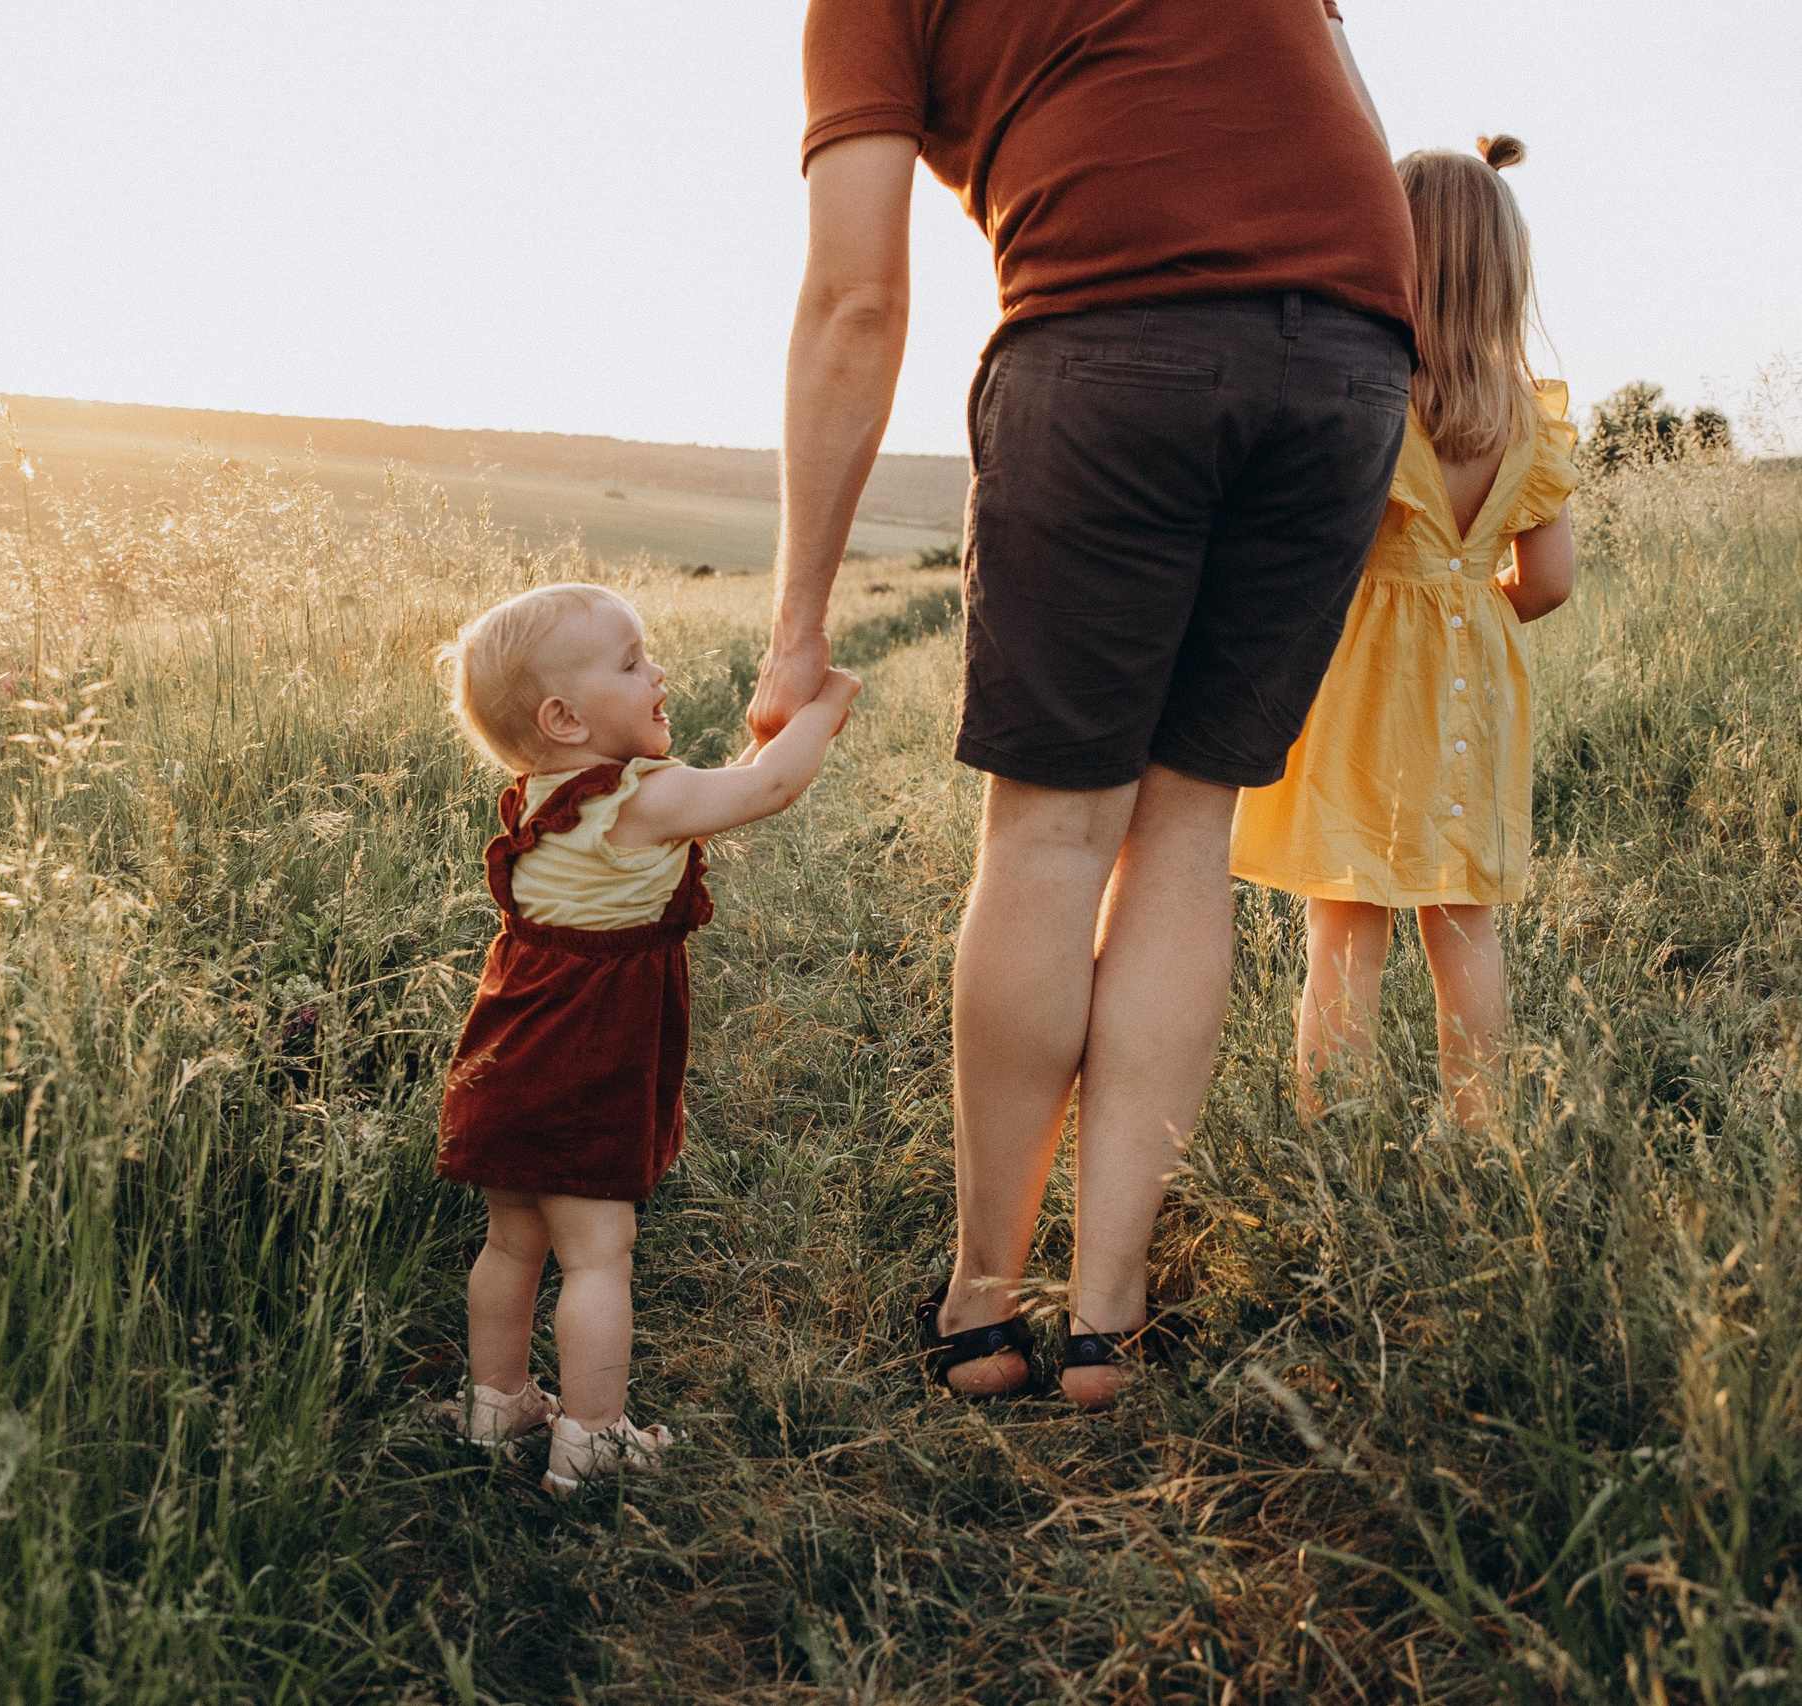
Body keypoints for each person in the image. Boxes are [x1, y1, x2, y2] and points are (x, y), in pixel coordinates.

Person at [751, 0, 1416, 1408]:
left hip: (1117, 337)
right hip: (1352, 354)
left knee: (1054, 838)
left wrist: (797, 621)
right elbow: (1341, 104)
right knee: (1186, 829)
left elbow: (857, 298)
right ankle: (1107, 1321)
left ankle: (985, 1303)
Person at [434, 583, 859, 1493]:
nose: (658, 671)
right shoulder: (638, 799)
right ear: (566, 716)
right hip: (583, 1067)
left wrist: (765, 736)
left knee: (512, 1244)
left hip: (505, 1058)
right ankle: (592, 1437)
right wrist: (823, 709)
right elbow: (769, 787)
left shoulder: (545, 801)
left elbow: (728, 788)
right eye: (632, 663)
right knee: (597, 1254)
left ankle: (496, 1405)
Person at [1231, 137, 1578, 1130]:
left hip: (1363, 689)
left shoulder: (1366, 404)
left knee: (1342, 929)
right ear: (1505, 272)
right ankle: (1480, 1138)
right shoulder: (1528, 420)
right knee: (1465, 929)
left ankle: (1332, 1137)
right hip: (1476, 688)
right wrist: (1466, 614)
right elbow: (1548, 581)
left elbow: (1303, 550)